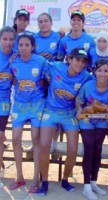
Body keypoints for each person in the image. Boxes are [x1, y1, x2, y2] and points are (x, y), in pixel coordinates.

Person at [37, 48, 93, 196]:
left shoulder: (87, 77)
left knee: (73, 149)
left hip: (70, 114)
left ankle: (65, 179)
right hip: (50, 111)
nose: (80, 64)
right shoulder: (55, 67)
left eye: (83, 61)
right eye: (77, 60)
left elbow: (100, 85)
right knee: (44, 146)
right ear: (69, 59)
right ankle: (45, 182)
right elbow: (36, 61)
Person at [76, 59, 108, 200]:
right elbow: (78, 101)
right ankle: (86, 187)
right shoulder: (88, 86)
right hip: (87, 120)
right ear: (95, 71)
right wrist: (79, 110)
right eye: (100, 70)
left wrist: (105, 109)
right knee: (89, 148)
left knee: (98, 149)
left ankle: (94, 182)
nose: (102, 74)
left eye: (106, 71)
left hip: (102, 122)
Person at [8, 33, 48, 193]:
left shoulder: (41, 62)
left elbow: (49, 80)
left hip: (37, 105)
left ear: (33, 47)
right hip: (19, 105)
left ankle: (35, 179)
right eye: (21, 45)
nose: (23, 48)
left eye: (27, 45)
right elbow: (12, 80)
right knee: (15, 139)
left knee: (35, 140)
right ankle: (19, 177)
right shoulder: (13, 62)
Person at [89, 31, 108, 157]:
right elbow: (88, 68)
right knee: (92, 116)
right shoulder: (91, 52)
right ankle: (89, 145)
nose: (101, 44)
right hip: (95, 89)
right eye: (99, 41)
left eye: (104, 41)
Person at [34, 12, 61, 153]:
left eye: (45, 21)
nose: (43, 23)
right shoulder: (34, 38)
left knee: (54, 109)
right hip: (38, 80)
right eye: (40, 21)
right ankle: (36, 142)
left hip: (53, 80)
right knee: (40, 112)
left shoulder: (58, 37)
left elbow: (61, 58)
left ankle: (54, 143)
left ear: (51, 23)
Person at [0, 26, 16, 188]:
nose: (8, 42)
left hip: (4, 102)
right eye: (5, 39)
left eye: (11, 39)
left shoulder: (16, 56)